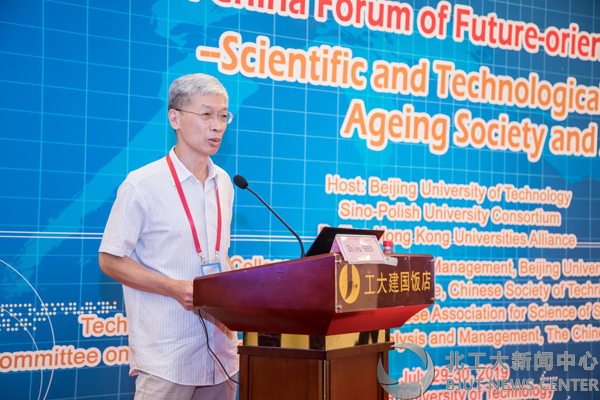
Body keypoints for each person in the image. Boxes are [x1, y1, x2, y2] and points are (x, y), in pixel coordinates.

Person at [98, 73, 238, 400]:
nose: (217, 126)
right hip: (168, 355)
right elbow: (110, 260)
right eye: (206, 114)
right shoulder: (142, 184)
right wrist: (174, 288)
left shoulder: (225, 183)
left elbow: (218, 255)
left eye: (223, 116)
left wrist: (238, 289)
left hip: (222, 354)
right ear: (175, 118)